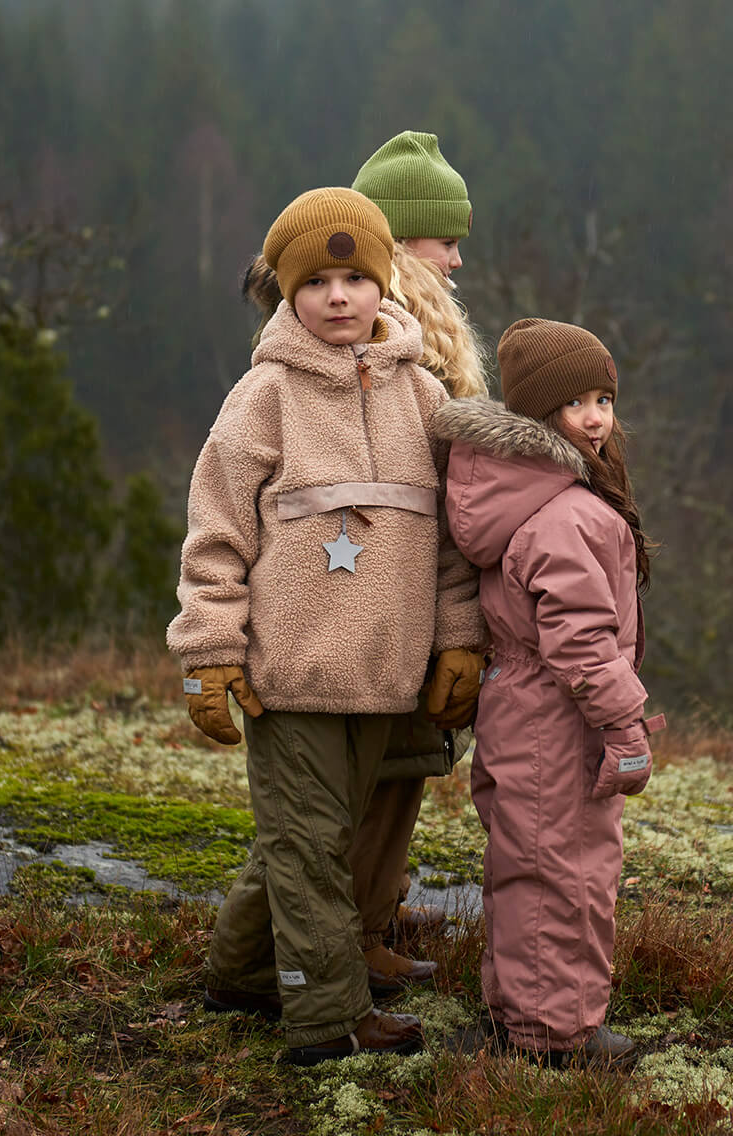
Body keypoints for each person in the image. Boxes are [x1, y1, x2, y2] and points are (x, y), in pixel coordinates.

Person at [167, 186, 487, 1064]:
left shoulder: (423, 396)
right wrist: (208, 654)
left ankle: (240, 975)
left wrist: (459, 637)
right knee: (308, 850)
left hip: (387, 677)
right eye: (317, 282)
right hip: (292, 676)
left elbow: (456, 544)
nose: (338, 296)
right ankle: (325, 1018)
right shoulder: (261, 398)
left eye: (355, 277)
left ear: (385, 283)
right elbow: (216, 538)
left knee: (307, 843)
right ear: (288, 293)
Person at [237, 132, 487, 999]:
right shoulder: (374, 347)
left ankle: (307, 943)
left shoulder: (413, 348)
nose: (456, 256)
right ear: (401, 235)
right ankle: (342, 943)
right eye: (442, 237)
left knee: (370, 785)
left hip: (403, 603)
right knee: (351, 797)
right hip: (345, 616)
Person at [435, 318, 665, 1070]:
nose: (596, 416)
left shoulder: (540, 500)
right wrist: (626, 727)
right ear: (539, 416)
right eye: (576, 403)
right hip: (555, 720)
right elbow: (582, 642)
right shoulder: (564, 514)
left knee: (530, 863)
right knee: (561, 873)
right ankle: (551, 1039)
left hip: (524, 709)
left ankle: (522, 1021)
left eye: (604, 397)